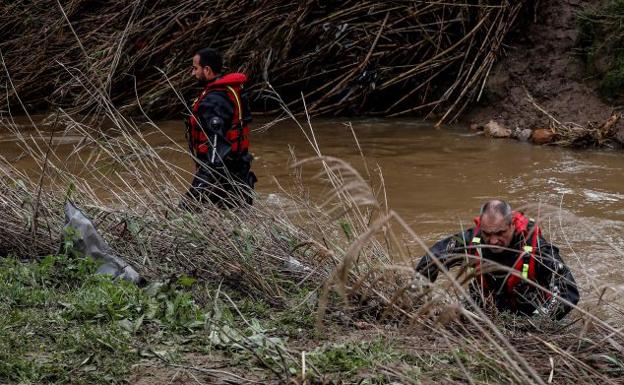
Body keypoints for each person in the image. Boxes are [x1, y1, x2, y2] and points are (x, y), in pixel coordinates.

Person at [415, 199, 580, 320]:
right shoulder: (471, 240)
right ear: (481, 227)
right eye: (487, 234)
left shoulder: (536, 247)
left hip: (529, 314)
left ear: (512, 225)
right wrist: (417, 298)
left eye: (500, 233)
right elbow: (432, 260)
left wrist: (537, 322)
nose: (493, 241)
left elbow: (568, 291)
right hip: (485, 311)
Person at [183, 47, 256, 208]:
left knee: (184, 214)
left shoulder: (214, 100)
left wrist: (196, 192)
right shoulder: (230, 92)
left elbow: (217, 150)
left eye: (195, 69)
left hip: (223, 175)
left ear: (207, 70)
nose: (193, 73)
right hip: (239, 169)